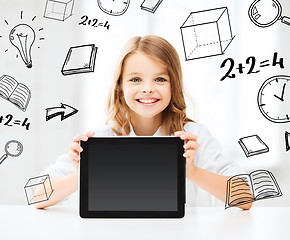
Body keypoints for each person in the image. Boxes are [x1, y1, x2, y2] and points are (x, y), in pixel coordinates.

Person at [35, 35, 252, 210]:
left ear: (173, 85)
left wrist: (192, 172)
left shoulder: (192, 137)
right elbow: (37, 197)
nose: (147, 88)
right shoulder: (101, 139)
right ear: (120, 87)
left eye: (160, 79)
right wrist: (82, 175)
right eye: (135, 79)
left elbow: (246, 198)